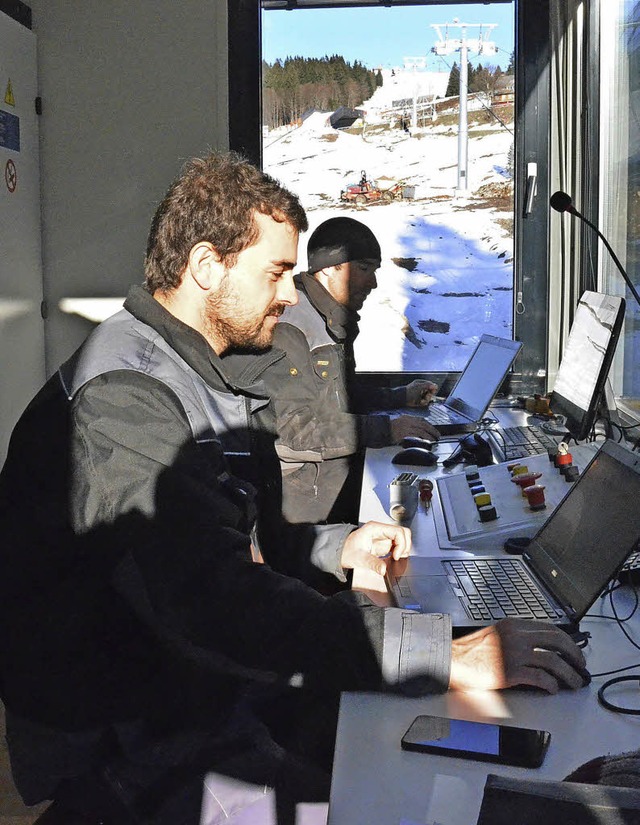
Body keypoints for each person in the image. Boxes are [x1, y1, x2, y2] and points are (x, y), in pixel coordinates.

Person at [0, 152, 587, 824]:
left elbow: (238, 537)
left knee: (423, 745)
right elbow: (214, 603)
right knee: (389, 797)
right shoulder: (124, 400)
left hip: (190, 683)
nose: (290, 291)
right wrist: (440, 652)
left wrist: (339, 545)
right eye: (276, 272)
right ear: (205, 266)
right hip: (131, 737)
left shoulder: (196, 367)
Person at [264, 216, 439, 525]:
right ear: (331, 268)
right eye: (363, 269)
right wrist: (386, 430)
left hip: (335, 480)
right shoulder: (292, 326)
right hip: (307, 505)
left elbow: (340, 395)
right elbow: (291, 430)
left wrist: (400, 396)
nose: (372, 283)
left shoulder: (330, 319)